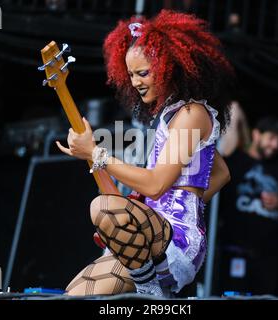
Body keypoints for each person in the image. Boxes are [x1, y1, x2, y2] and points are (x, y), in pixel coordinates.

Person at [56, 10, 233, 297]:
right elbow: (221, 173)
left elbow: (155, 184)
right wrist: (188, 201)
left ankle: (149, 292)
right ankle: (146, 283)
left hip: (176, 243)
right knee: (74, 294)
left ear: (169, 67)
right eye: (130, 75)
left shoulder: (191, 114)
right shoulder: (173, 114)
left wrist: (96, 152)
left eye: (143, 73)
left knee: (102, 208)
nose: (136, 82)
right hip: (152, 237)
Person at [218, 116, 278, 295]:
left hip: (268, 258)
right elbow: (234, 114)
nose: (275, 145)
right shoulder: (236, 160)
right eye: (271, 138)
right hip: (233, 253)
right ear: (256, 134)